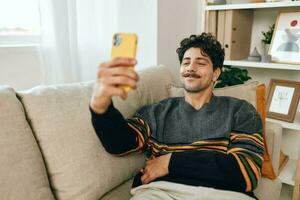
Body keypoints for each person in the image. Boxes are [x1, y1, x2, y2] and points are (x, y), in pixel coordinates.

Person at [89, 33, 264, 200]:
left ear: (216, 73)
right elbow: (120, 144)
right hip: (162, 192)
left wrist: (169, 162)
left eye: (200, 63)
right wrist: (100, 105)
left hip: (223, 194)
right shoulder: (156, 112)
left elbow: (246, 172)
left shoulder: (240, 111)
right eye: (186, 62)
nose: (190, 67)